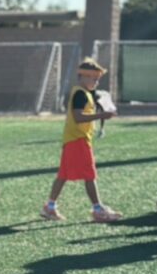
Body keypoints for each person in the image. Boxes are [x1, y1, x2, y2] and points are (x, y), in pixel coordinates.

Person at [41, 58, 122, 223]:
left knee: (63, 175)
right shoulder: (80, 94)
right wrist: (102, 115)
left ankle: (50, 207)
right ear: (83, 77)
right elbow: (78, 117)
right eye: (94, 78)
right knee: (90, 175)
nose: (96, 82)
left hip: (72, 139)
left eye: (97, 79)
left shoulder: (83, 93)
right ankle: (98, 209)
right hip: (78, 139)